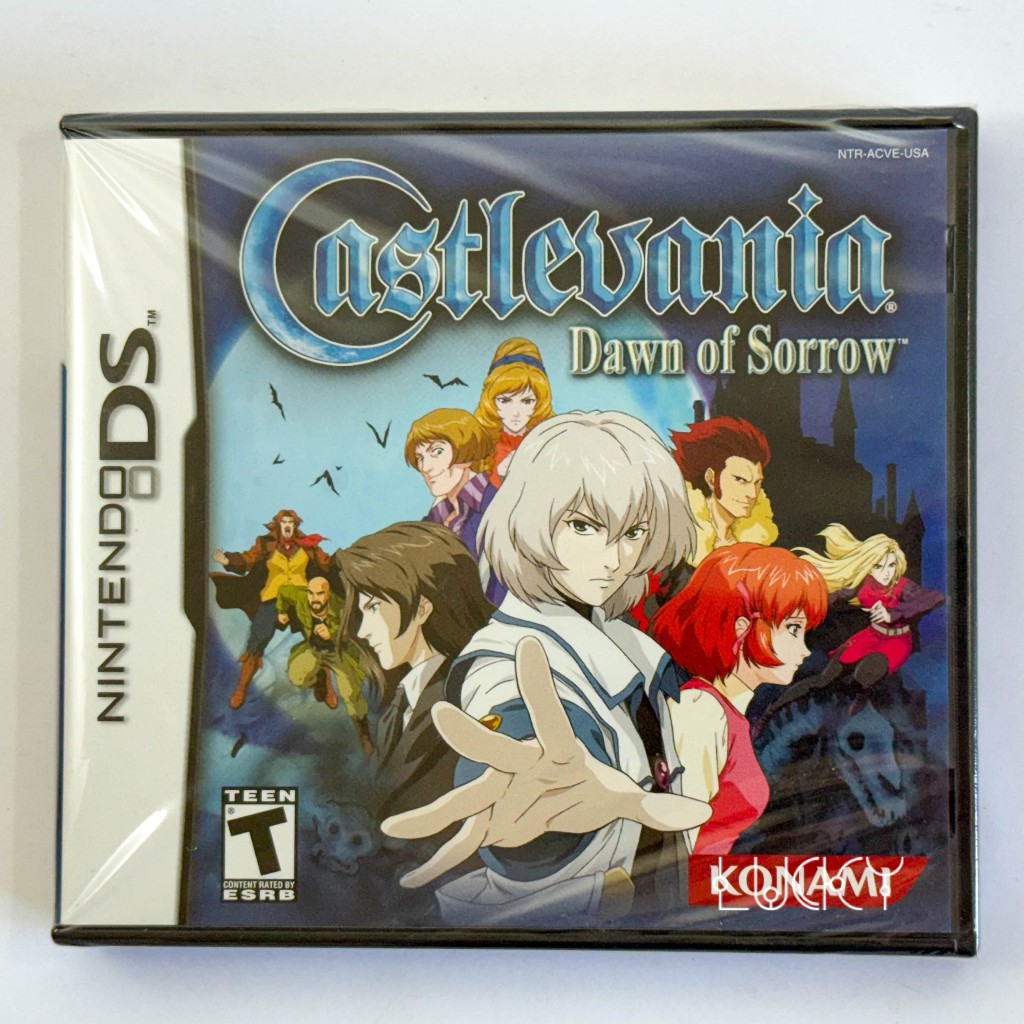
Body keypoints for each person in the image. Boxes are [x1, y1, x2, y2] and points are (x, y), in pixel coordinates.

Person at [382, 411, 712, 926]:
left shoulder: (626, 642)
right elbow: (519, 735)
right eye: (583, 526)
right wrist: (535, 831)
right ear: (529, 519)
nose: (612, 558)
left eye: (633, 532)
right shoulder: (507, 657)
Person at [651, 544, 827, 855]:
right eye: (793, 629)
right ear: (743, 629)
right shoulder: (702, 711)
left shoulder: (726, 713)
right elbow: (680, 848)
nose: (805, 650)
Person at [333, 522, 494, 827]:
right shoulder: (396, 709)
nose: (362, 630)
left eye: (374, 607)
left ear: (421, 608)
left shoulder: (473, 694)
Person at [793, 523, 944, 691]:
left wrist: (892, 614)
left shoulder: (902, 586)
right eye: (879, 566)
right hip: (870, 636)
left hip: (896, 641)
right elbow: (836, 595)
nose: (886, 573)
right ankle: (776, 706)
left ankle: (863, 699)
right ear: (870, 567)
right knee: (825, 679)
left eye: (891, 565)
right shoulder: (863, 583)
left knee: (861, 680)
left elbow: (935, 598)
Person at [210, 509, 331, 709]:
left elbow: (327, 563)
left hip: (300, 597)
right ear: (278, 525)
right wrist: (228, 560)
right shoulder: (265, 544)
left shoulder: (308, 545)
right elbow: (248, 559)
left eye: (291, 522)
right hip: (272, 597)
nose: (287, 526)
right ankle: (242, 687)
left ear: (295, 525)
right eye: (284, 522)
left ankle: (324, 682)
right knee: (256, 641)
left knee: (318, 636)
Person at [275, 576, 374, 756]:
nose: (314, 599)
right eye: (311, 593)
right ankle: (320, 678)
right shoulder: (301, 598)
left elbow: (353, 632)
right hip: (313, 650)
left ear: (328, 595)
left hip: (338, 653)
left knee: (351, 693)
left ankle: (363, 731)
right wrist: (281, 611)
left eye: (320, 594)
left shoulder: (341, 608)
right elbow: (283, 591)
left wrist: (333, 634)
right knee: (296, 676)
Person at [405, 408, 496, 560]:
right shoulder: (440, 513)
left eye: (437, 452)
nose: (425, 467)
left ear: (468, 449)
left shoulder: (493, 504)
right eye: (420, 457)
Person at [474, 337, 554, 487]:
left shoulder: (551, 442)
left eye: (527, 401)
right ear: (491, 400)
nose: (516, 412)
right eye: (505, 401)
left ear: (539, 402)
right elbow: (465, 498)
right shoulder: (477, 445)